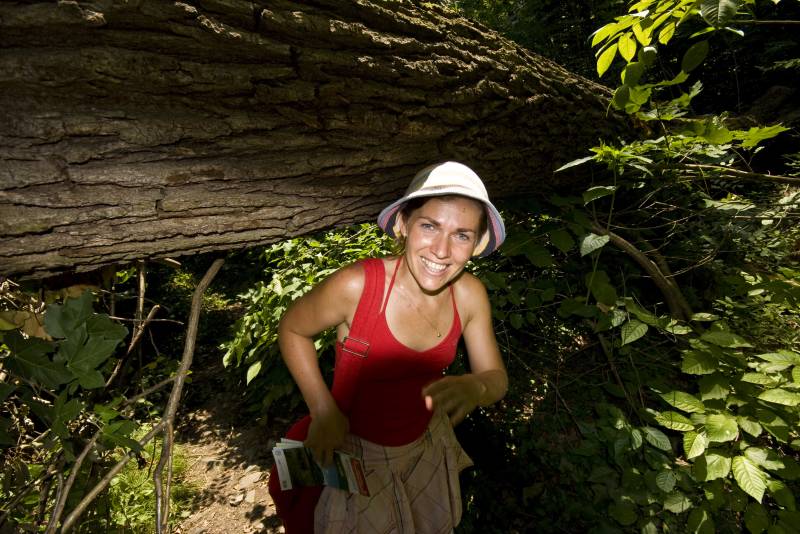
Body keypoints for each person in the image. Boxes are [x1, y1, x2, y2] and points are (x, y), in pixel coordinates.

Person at [268, 161, 508, 533]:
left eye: (461, 235)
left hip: (423, 447)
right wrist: (323, 409)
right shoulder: (357, 287)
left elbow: (496, 377)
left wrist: (476, 386)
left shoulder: (469, 296)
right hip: (352, 451)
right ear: (402, 225)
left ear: (476, 245)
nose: (442, 250)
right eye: (429, 226)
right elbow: (292, 329)